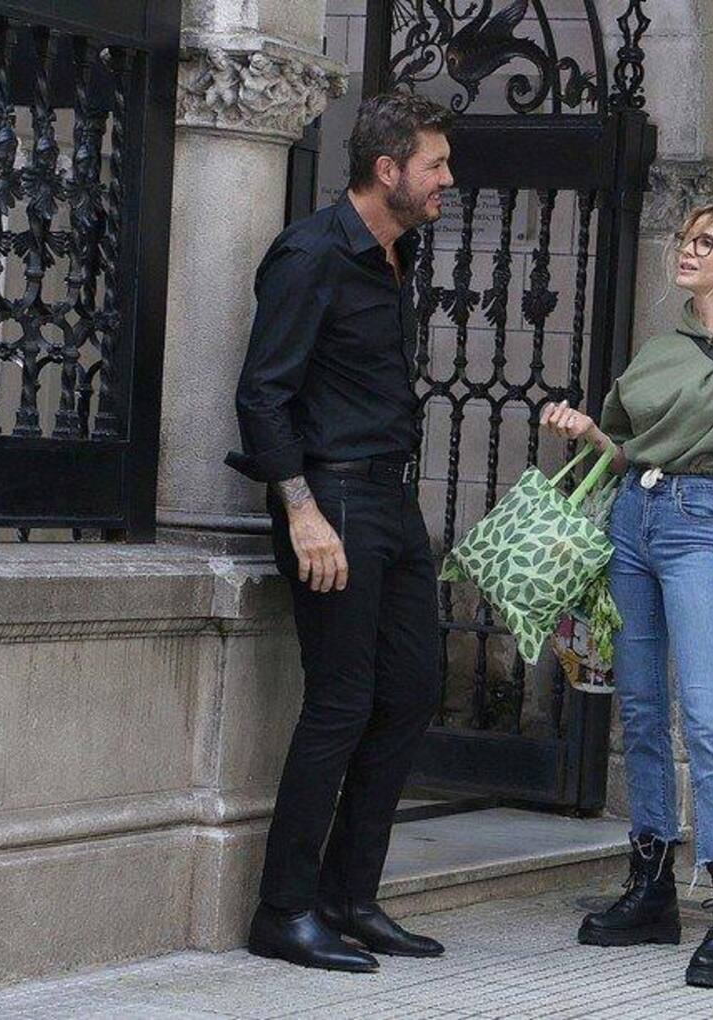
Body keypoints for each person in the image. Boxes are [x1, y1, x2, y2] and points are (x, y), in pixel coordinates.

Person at [540, 201, 713, 989]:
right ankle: (652, 885)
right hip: (634, 517)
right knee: (638, 709)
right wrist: (584, 431)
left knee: (703, 717)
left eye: (707, 243)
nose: (687, 251)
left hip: (705, 523)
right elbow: (627, 447)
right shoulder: (661, 347)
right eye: (684, 238)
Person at [225, 92, 454, 974]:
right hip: (333, 502)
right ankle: (282, 912)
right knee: (340, 705)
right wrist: (301, 507)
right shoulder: (312, 254)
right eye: (435, 165)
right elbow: (264, 392)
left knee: (409, 693)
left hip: (392, 503)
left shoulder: (399, 254)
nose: (447, 181)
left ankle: (351, 897)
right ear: (386, 169)